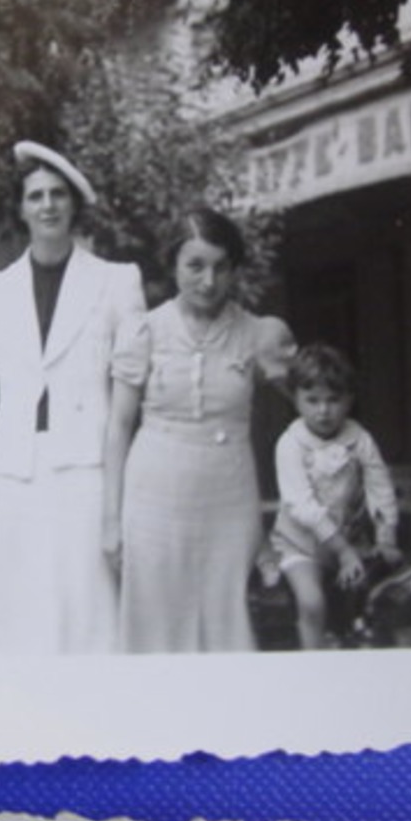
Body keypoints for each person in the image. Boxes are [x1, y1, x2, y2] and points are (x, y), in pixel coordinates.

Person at [0, 142, 146, 655]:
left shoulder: (117, 282)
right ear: (22, 209)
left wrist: (117, 504)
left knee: (85, 608)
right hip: (14, 468)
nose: (48, 205)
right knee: (15, 610)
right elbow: (4, 378)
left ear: (73, 205)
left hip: (84, 466)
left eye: (58, 195)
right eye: (36, 196)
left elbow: (123, 402)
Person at [105, 207, 297, 654]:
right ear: (172, 265)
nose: (209, 281)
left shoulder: (259, 334)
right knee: (154, 627)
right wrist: (110, 522)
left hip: (229, 498)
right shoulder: (143, 331)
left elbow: (313, 406)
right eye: (195, 266)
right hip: (153, 498)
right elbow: (117, 427)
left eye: (220, 267)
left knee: (227, 621)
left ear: (234, 268)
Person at [266, 343, 400, 651]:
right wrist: (342, 552)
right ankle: (315, 667)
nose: (323, 410)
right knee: (313, 602)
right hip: (302, 545)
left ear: (349, 399)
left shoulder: (359, 439)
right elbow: (302, 505)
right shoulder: (291, 444)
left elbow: (379, 487)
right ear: (296, 399)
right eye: (312, 400)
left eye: (333, 400)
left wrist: (386, 536)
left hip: (350, 543)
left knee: (373, 598)